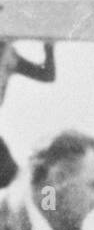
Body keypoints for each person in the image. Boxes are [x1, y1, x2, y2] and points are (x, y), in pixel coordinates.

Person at [0, 42, 56, 187]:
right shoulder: (8, 57)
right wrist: (49, 46)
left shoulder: (8, 57)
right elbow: (47, 75)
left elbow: (47, 75)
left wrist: (49, 46)